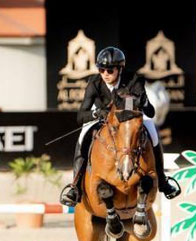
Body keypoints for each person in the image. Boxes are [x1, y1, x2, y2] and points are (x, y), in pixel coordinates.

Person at [59, 46, 180, 206]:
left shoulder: (133, 80)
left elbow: (149, 112)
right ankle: (75, 186)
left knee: (153, 135)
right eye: (101, 70)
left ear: (119, 69)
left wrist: (142, 102)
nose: (105, 74)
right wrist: (96, 114)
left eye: (110, 70)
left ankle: (163, 182)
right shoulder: (94, 83)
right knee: (82, 138)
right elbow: (81, 116)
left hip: (129, 119)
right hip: (101, 118)